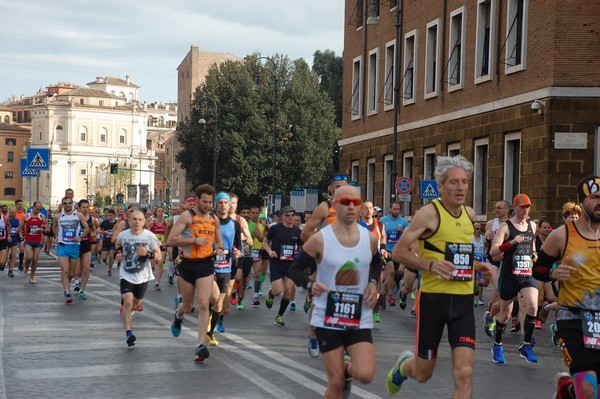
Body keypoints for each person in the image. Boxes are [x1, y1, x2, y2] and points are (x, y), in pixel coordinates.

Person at [385, 155, 494, 399]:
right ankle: (404, 366)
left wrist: (479, 267)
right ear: (441, 186)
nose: (461, 187)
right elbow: (399, 252)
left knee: (465, 373)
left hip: (463, 302)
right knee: (424, 373)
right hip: (434, 300)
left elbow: (458, 256)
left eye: (464, 182)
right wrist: (430, 266)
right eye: (454, 182)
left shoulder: (469, 214)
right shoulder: (429, 214)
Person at [289, 185, 379, 399]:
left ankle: (348, 372)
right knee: (335, 382)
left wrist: (374, 283)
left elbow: (376, 263)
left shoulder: (370, 239)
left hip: (359, 316)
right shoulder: (320, 239)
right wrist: (310, 285)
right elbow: (295, 270)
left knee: (365, 375)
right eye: (345, 202)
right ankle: (342, 375)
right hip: (328, 318)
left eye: (355, 203)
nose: (351, 207)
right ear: (335, 206)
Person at [533, 176, 600, 399]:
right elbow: (538, 269)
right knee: (589, 388)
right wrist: (553, 273)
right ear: (581, 202)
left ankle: (566, 391)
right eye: (595, 197)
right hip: (573, 319)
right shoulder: (562, 235)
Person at [168, 184, 225, 362]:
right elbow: (171, 240)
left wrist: (220, 250)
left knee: (203, 303)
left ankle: (200, 345)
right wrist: (193, 240)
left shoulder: (214, 219)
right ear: (197, 200)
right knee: (187, 305)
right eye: (204, 202)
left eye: (210, 202)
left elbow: (219, 242)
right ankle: (178, 317)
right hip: (187, 264)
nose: (207, 205)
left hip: (206, 265)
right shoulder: (187, 216)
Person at [489, 193, 539, 363]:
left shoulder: (532, 225)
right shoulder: (506, 227)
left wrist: (534, 254)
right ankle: (497, 344)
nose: (525, 210)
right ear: (515, 208)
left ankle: (525, 345)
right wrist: (511, 243)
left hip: (526, 274)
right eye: (522, 207)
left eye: (527, 207)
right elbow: (493, 252)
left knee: (533, 306)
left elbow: (532, 245)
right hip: (509, 275)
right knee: (505, 314)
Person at [115, 210, 162, 346]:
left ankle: (132, 310)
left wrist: (148, 253)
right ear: (129, 220)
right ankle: (129, 333)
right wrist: (119, 253)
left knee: (136, 304)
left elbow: (158, 255)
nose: (137, 222)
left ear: (144, 222)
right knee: (127, 302)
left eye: (140, 220)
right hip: (126, 274)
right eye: (134, 219)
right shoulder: (123, 235)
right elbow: (118, 244)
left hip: (142, 276)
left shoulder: (149, 236)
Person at [262, 205, 304, 326]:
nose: (291, 217)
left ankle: (279, 316)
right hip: (276, 263)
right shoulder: (275, 229)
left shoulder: (297, 231)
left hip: (290, 265)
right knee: (278, 290)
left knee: (288, 291)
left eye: (292, 215)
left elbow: (302, 247)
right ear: (282, 217)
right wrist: (270, 252)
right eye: (288, 215)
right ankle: (271, 293)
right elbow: (265, 242)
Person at [482, 200, 511, 336]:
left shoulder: (512, 224)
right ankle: (491, 319)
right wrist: (489, 238)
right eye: (495, 208)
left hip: (508, 261)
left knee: (507, 296)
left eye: (499, 208)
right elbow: (485, 243)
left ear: (507, 210)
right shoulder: (491, 223)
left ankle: (494, 315)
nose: (496, 210)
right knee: (498, 291)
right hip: (493, 261)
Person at [53, 196, 90, 303]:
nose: (67, 205)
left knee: (72, 272)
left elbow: (87, 228)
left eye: (69, 203)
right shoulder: (57, 216)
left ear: (72, 204)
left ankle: (66, 285)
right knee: (65, 270)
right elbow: (54, 227)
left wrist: (81, 236)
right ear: (62, 204)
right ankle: (67, 292)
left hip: (75, 246)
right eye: (65, 203)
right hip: (63, 245)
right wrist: (56, 236)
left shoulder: (78, 215)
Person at [379, 202, 409, 310]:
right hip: (387, 250)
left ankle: (383, 294)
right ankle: (391, 296)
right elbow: (379, 235)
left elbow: (408, 237)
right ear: (390, 209)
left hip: (398, 251)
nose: (396, 211)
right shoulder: (383, 220)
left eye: (398, 209)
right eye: (394, 209)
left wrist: (402, 231)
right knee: (391, 271)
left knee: (394, 274)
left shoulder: (404, 222)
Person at [18, 201, 49, 284]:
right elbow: (20, 228)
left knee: (35, 259)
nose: (38, 211)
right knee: (29, 257)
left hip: (38, 241)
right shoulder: (26, 216)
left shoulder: (42, 217)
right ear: (33, 207)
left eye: (40, 209)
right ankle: (26, 266)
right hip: (28, 240)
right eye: (36, 209)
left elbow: (48, 229)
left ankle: (32, 275)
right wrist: (20, 233)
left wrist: (42, 229)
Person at [73, 199, 97, 300]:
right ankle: (76, 282)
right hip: (76, 244)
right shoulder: (74, 217)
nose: (86, 209)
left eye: (87, 207)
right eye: (83, 207)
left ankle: (82, 290)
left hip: (86, 244)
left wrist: (92, 234)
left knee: (86, 268)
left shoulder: (92, 219)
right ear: (79, 207)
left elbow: (94, 232)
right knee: (77, 269)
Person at [147, 206, 168, 290]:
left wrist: (165, 242)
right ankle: (151, 270)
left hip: (162, 245)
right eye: (158, 211)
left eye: (162, 211)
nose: (160, 213)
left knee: (160, 262)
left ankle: (157, 282)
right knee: (152, 264)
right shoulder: (152, 223)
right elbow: (148, 233)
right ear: (156, 213)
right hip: (153, 246)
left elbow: (167, 233)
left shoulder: (165, 223)